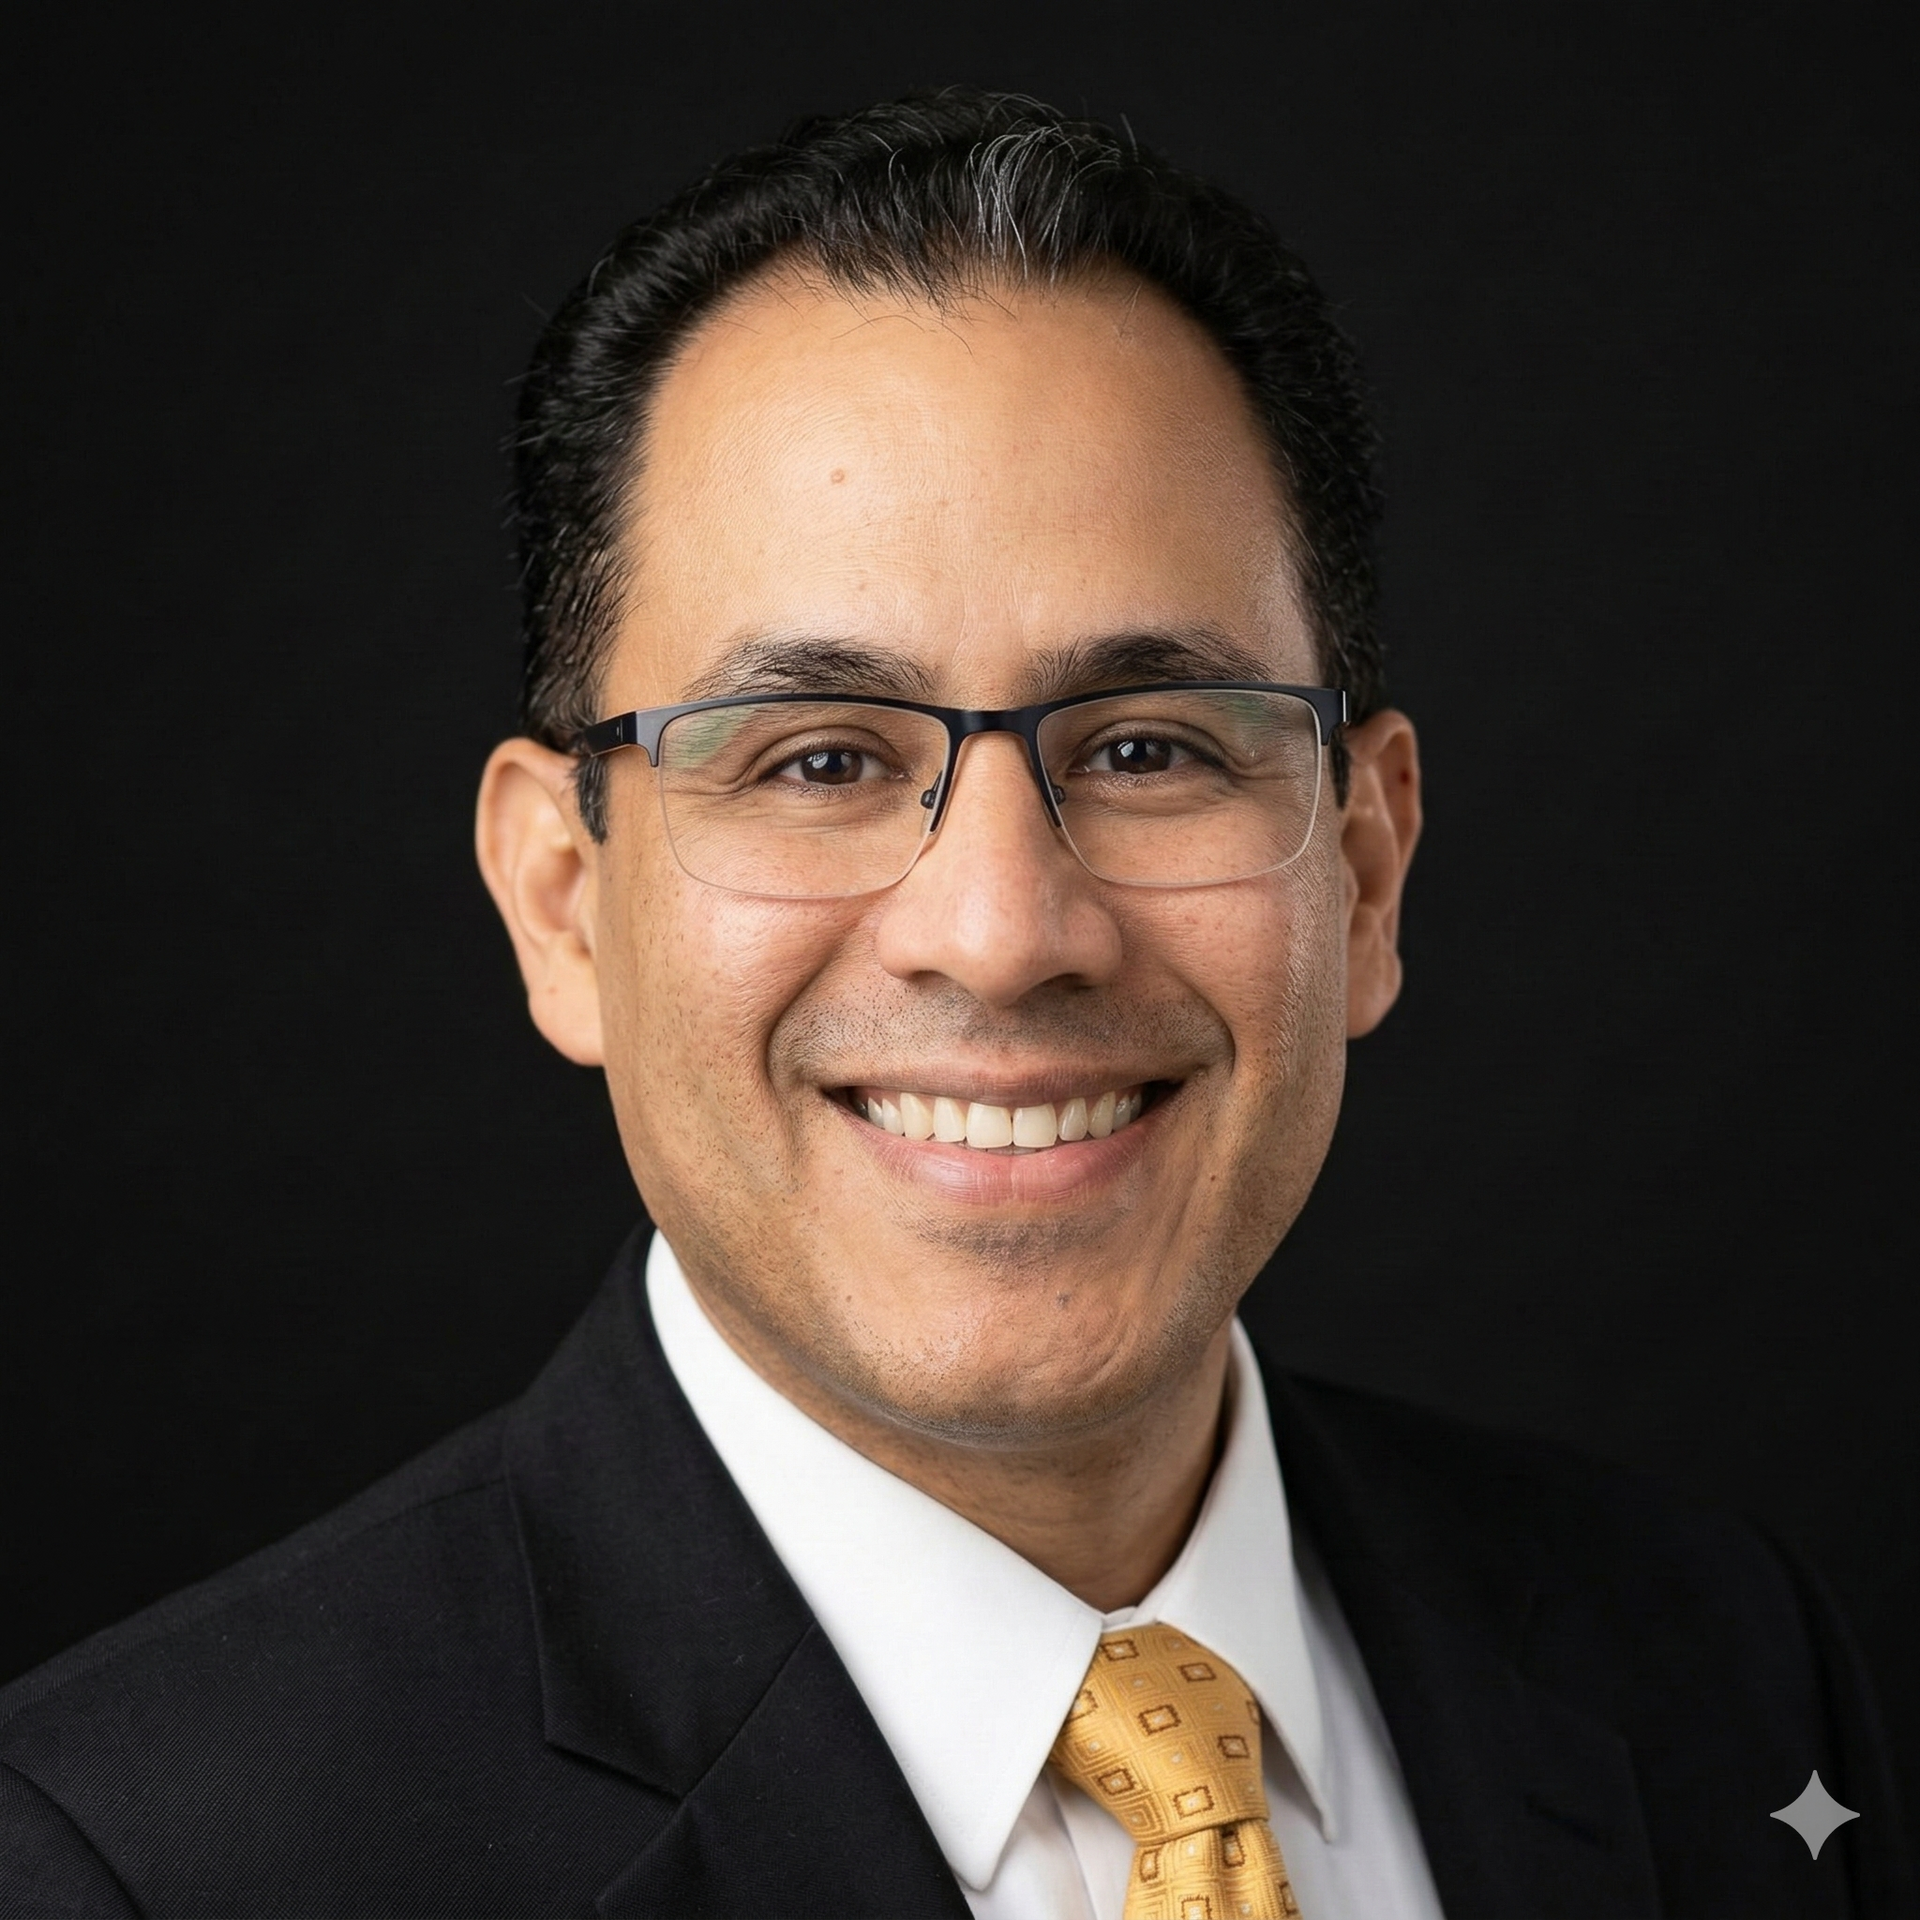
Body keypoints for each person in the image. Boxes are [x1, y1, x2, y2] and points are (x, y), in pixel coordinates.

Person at [0, 88, 1907, 1920]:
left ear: (1369, 867)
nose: (1001, 933)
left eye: (1153, 746)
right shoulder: (155, 1862)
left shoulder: (1719, 1669)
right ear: (564, 905)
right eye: (818, 760)